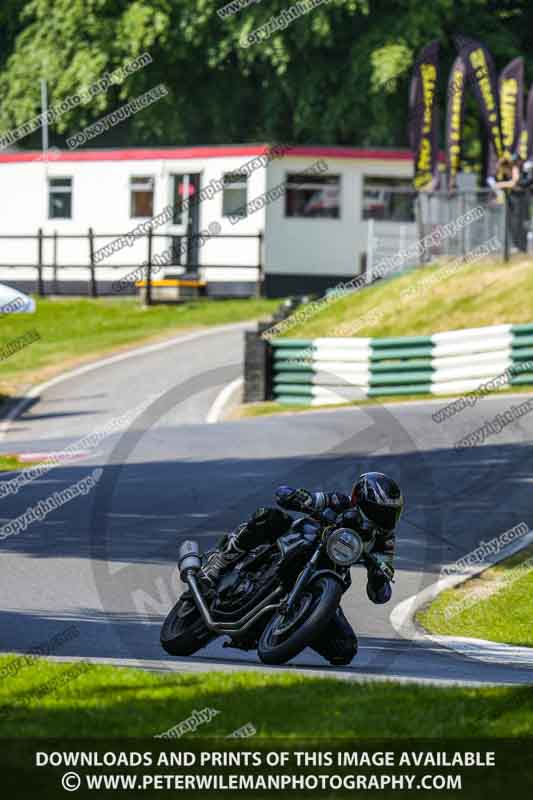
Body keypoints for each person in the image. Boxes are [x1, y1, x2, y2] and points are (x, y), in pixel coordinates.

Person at [200, 472, 404, 666]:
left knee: (344, 649)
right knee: (269, 517)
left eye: (390, 514)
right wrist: (298, 497)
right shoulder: (339, 501)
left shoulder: (384, 540)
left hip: (328, 574)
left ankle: (296, 625)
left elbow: (381, 594)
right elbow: (309, 498)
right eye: (379, 511)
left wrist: (379, 576)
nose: (384, 519)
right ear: (360, 499)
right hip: (302, 542)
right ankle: (221, 559)